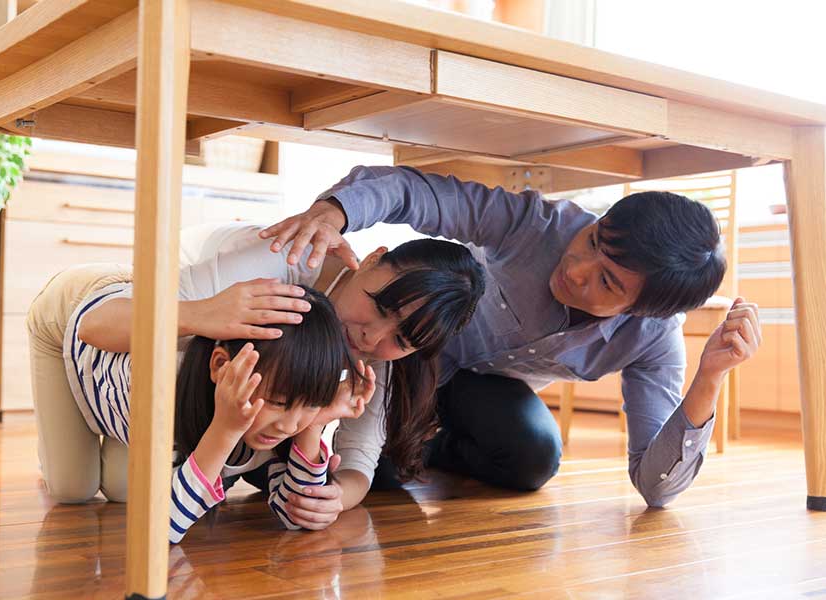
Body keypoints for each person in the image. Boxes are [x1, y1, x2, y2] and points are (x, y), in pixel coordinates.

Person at [258, 165, 762, 515]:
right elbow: (417, 191)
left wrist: (710, 377)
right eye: (591, 241)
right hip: (415, 349)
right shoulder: (538, 224)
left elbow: (655, 488)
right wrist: (334, 213)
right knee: (380, 477)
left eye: (607, 282)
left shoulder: (653, 342)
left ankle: (420, 443)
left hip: (484, 388)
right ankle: (399, 444)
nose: (577, 268)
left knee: (533, 458)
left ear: (643, 312)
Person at [31, 224, 485, 532]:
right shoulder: (274, 265)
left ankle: (133, 440)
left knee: (128, 487)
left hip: (165, 391)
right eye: (382, 308)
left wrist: (337, 498)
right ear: (373, 259)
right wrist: (202, 314)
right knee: (73, 488)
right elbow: (91, 326)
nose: (372, 337)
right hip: (88, 314)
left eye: (402, 340)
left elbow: (358, 458)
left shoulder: (375, 354)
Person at [28, 268, 376, 543]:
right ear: (220, 365)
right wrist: (225, 429)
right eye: (278, 402)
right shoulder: (159, 385)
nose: (289, 425)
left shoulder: (282, 412)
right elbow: (159, 531)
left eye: (311, 404)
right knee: (73, 488)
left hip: (130, 399)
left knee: (123, 491)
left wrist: (315, 423)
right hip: (77, 316)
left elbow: (295, 515)